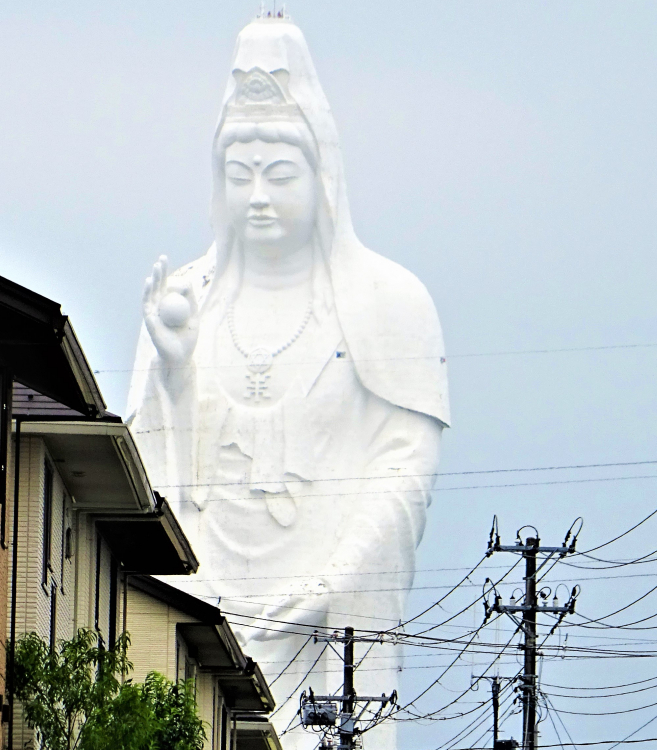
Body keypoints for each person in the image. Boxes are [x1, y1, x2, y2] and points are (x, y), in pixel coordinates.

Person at [126, 15, 450, 748]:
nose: (258, 197)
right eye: (239, 177)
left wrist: (333, 582)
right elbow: (141, 472)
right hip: (210, 609)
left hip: (331, 626)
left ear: (322, 174)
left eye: (279, 175)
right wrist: (173, 367)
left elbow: (406, 468)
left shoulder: (389, 300)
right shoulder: (187, 296)